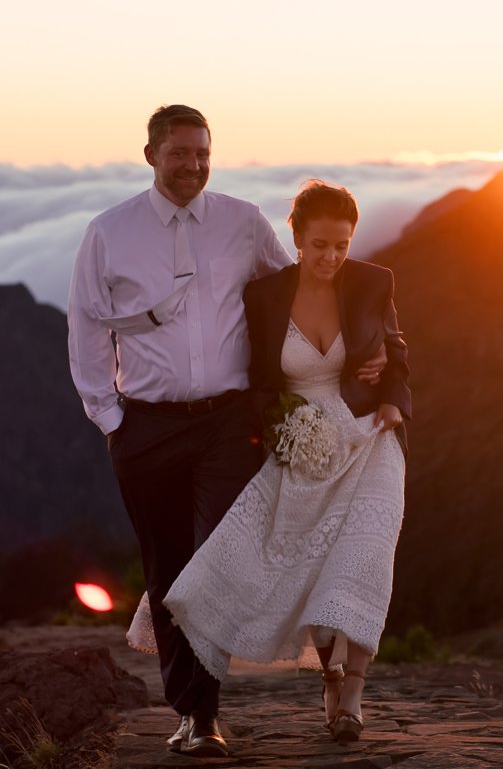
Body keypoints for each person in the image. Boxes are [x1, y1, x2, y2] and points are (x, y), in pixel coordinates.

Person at [67, 107, 385, 757]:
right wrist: (110, 418)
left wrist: (380, 342)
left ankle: (206, 714)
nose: (193, 165)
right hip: (146, 427)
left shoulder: (243, 221)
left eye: (202, 153)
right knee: (167, 571)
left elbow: (300, 286)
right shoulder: (109, 233)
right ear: (151, 154)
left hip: (227, 421)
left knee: (215, 563)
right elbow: (87, 327)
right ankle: (191, 715)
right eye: (180, 153)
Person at [161, 179, 411, 745]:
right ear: (296, 237)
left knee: (365, 558)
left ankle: (353, 691)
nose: (331, 257)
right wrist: (280, 424)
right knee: (314, 570)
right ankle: (329, 674)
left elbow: (396, 353)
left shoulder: (374, 283)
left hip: (371, 437)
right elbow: (254, 380)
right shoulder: (265, 296)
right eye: (320, 244)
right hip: (299, 444)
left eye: (342, 244)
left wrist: (394, 401)